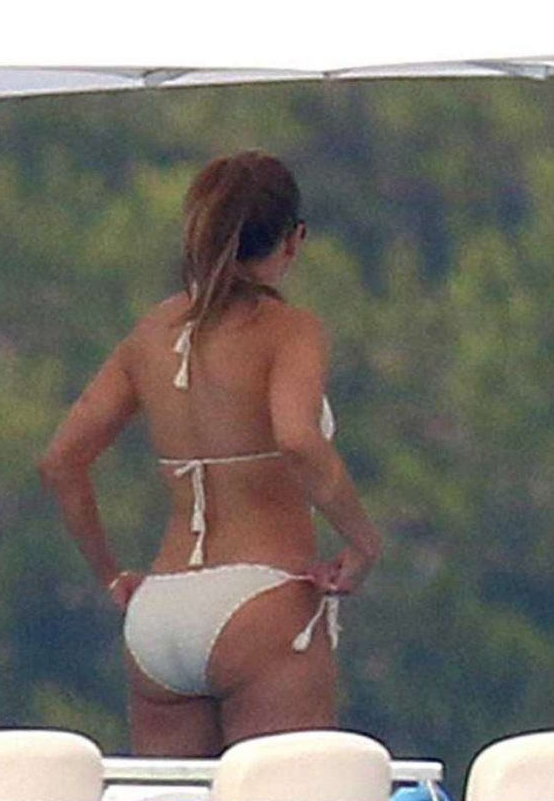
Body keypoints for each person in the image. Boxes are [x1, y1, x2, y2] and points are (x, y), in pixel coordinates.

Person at [39, 150, 382, 757]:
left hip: (159, 613)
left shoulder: (152, 333)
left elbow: (62, 460)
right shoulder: (289, 330)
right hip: (263, 602)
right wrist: (362, 543)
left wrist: (111, 575)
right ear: (293, 240)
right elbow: (297, 438)